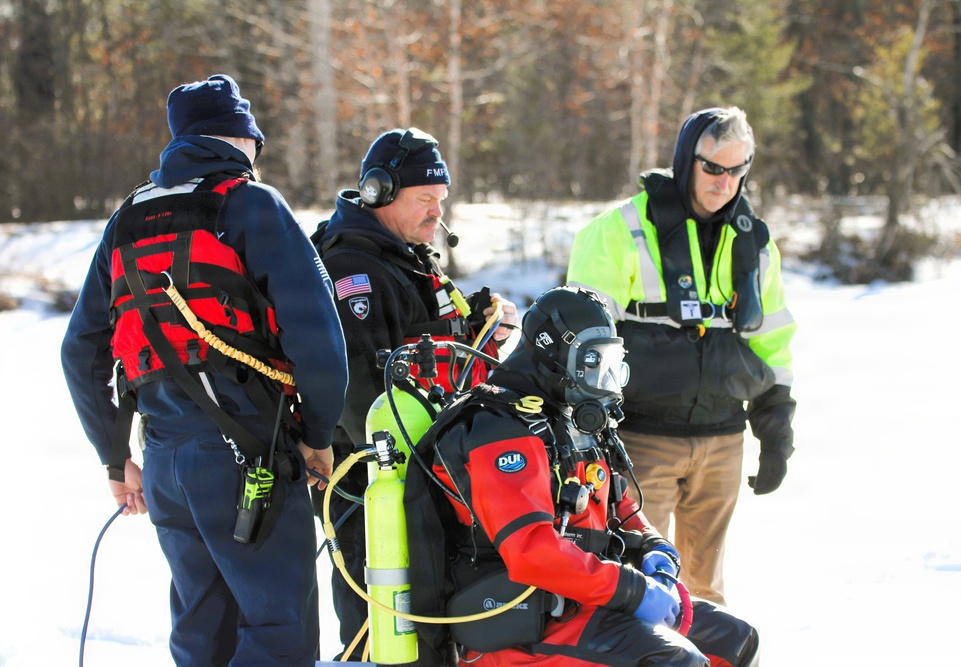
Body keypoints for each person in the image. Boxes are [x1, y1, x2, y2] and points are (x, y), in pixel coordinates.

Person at [61, 74, 348, 666]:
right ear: (241, 141)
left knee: (201, 631)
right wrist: (319, 438)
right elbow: (318, 340)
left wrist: (116, 459)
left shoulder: (126, 220)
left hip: (166, 462)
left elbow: (80, 351)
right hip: (251, 456)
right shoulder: (251, 205)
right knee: (277, 630)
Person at [404, 286, 759, 667]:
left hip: (587, 600)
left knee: (734, 639)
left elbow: (622, 510)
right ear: (555, 354)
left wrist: (655, 550)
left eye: (610, 362)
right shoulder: (498, 429)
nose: (601, 377)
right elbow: (532, 552)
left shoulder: (573, 418)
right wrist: (633, 591)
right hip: (521, 623)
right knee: (672, 660)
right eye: (592, 360)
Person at [566, 106, 797, 605]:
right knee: (641, 590)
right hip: (641, 439)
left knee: (706, 593)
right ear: (685, 160)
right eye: (713, 167)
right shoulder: (619, 229)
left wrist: (776, 426)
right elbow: (580, 338)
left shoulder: (752, 241)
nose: (724, 182)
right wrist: (584, 434)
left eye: (737, 170)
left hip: (722, 440)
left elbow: (772, 337)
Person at [311, 126, 518, 658]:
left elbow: (421, 355)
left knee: (427, 630)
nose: (436, 212)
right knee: (381, 630)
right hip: (373, 484)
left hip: (422, 476)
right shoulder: (350, 269)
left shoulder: (405, 255)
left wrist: (477, 333)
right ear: (380, 192)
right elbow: (362, 398)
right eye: (424, 199)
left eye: (440, 201)